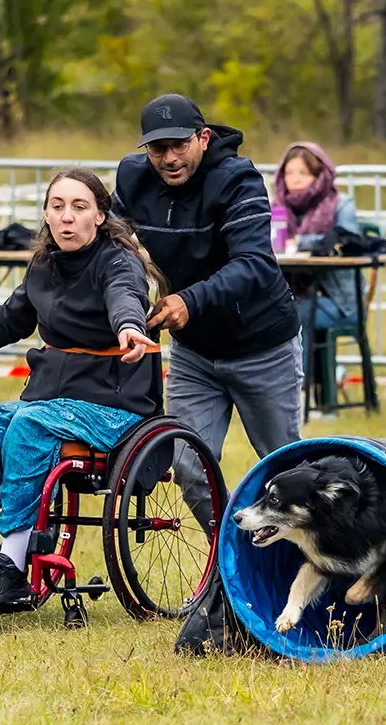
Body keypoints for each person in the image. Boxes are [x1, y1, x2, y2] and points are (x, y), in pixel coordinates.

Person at [0, 167, 164, 613]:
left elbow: (125, 299)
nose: (67, 217)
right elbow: (5, 321)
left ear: (100, 215)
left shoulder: (120, 263)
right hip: (49, 400)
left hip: (113, 405)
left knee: (28, 426)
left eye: (80, 207)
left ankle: (12, 565)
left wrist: (131, 328)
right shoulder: (44, 264)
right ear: (45, 213)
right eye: (57, 206)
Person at [113, 94, 301, 520]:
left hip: (262, 346)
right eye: (158, 149)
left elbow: (253, 263)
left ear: (203, 137)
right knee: (188, 468)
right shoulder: (131, 178)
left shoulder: (238, 179)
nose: (170, 158)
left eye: (180, 144)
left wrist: (187, 299)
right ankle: (229, 566)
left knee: (285, 470)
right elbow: (113, 245)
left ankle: (304, 571)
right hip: (194, 354)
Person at [272, 141, 363, 413]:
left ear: (318, 174)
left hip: (341, 301)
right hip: (295, 294)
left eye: (302, 173)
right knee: (276, 313)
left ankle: (299, 395)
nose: (294, 180)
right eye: (289, 174)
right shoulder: (277, 206)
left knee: (299, 314)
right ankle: (273, 395)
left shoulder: (340, 204)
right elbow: (275, 246)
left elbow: (350, 243)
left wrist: (304, 242)